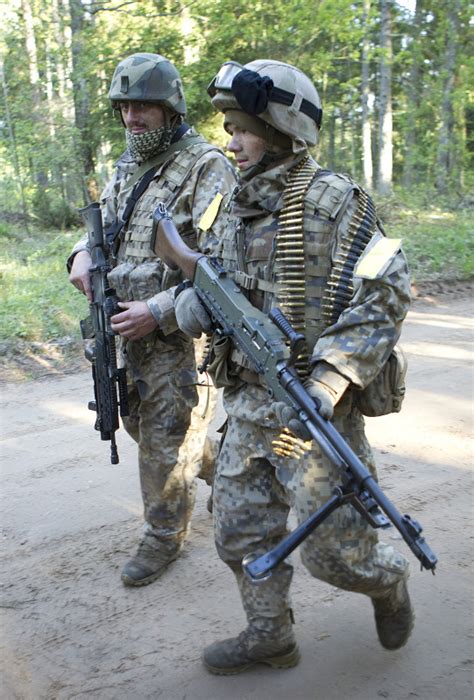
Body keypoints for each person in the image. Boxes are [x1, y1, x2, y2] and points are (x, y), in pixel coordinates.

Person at [174, 59, 414, 673]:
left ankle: (386, 582)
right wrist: (189, 302)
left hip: (310, 412)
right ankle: (269, 637)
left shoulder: (335, 202)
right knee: (239, 533)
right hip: (247, 405)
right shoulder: (228, 201)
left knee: (335, 554)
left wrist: (333, 375)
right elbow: (209, 274)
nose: (231, 142)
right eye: (229, 128)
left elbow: (387, 288)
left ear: (281, 129)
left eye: (243, 129)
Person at [68, 53, 237, 587]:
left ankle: (164, 536)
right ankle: (224, 473)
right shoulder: (128, 164)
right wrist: (80, 254)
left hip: (179, 335)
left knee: (167, 437)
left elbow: (222, 263)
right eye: (125, 106)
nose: (133, 116)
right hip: (123, 327)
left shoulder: (208, 166)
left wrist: (159, 311)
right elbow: (109, 232)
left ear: (169, 108)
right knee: (143, 425)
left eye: (144, 106)